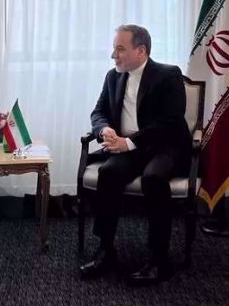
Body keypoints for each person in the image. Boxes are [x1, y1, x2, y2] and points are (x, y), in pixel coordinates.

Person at [79, 25, 191, 285]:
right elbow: (98, 111)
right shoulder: (113, 76)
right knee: (109, 173)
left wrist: (128, 142)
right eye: (114, 48)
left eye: (120, 49)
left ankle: (159, 259)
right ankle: (106, 249)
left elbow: (170, 123)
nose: (113, 55)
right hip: (128, 145)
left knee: (153, 179)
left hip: (165, 145)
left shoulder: (168, 75)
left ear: (141, 51)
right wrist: (104, 129)